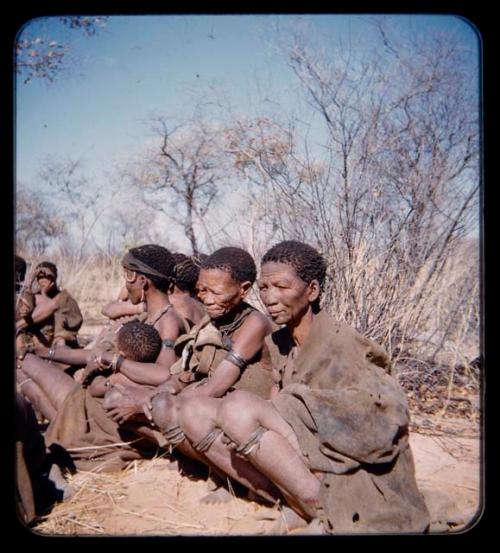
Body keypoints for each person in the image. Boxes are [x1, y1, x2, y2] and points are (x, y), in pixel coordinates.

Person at [175, 240, 431, 534]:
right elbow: (275, 401)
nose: (270, 298)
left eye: (282, 287)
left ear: (312, 291)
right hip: (306, 459)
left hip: (350, 469)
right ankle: (293, 502)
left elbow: (384, 420)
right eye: (266, 289)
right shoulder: (279, 342)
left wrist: (295, 408)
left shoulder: (341, 344)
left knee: (239, 407)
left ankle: (324, 508)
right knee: (195, 409)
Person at [103, 247, 278, 501]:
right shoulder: (212, 321)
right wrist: (156, 393)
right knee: (126, 398)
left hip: (244, 416)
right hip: (213, 405)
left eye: (216, 292)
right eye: (202, 290)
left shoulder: (255, 323)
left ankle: (249, 482)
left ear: (244, 289)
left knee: (168, 406)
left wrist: (145, 402)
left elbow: (216, 387)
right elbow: (183, 374)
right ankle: (214, 468)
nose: (206, 299)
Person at [17, 321, 166, 472]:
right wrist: (44, 352)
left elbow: (94, 386)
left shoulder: (121, 377)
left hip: (79, 416)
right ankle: (56, 426)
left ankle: (52, 431)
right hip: (81, 413)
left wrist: (92, 369)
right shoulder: (148, 370)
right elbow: (89, 356)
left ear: (121, 353)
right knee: (26, 365)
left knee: (24, 362)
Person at [15, 262, 83, 356]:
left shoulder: (64, 297)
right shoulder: (35, 296)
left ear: (54, 279)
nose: (42, 281)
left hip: (59, 337)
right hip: (39, 337)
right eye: (40, 278)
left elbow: (74, 321)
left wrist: (44, 294)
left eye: (46, 278)